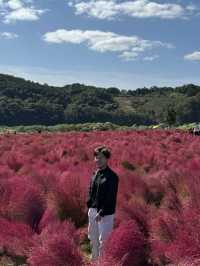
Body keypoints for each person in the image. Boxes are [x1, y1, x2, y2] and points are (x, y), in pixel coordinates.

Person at [86, 145, 119, 261]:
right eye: (96, 157)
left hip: (105, 214)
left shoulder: (112, 176)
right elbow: (90, 190)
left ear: (106, 158)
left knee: (103, 241)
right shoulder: (95, 174)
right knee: (93, 238)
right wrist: (89, 205)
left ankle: (103, 262)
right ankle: (94, 261)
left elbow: (111, 197)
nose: (97, 160)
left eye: (100, 157)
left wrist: (101, 212)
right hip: (93, 211)